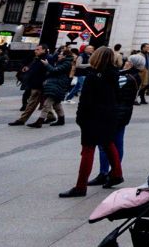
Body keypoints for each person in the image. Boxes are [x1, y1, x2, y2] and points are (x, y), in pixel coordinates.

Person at [59, 47, 123, 196]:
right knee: (108, 143)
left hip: (93, 116)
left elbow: (85, 100)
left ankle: (81, 186)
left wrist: (80, 117)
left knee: (88, 149)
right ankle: (117, 174)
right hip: (109, 115)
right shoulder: (114, 74)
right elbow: (117, 96)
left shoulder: (93, 76)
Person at [87, 53, 141, 185]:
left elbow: (106, 90)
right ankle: (112, 172)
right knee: (117, 142)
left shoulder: (125, 77)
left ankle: (107, 172)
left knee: (106, 144)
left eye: (127, 61)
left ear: (131, 63)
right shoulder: (134, 76)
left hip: (115, 113)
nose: (125, 62)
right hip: (124, 113)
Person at [10, 44, 49, 126]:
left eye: (38, 49)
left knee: (32, 103)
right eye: (36, 49)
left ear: (44, 50)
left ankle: (22, 120)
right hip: (34, 83)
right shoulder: (37, 58)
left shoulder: (46, 59)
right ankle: (54, 116)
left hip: (38, 84)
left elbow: (46, 72)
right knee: (50, 103)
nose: (35, 51)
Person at [32, 47, 72, 127]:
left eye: (60, 54)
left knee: (47, 104)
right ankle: (61, 120)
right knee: (56, 104)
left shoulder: (66, 63)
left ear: (65, 56)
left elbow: (55, 70)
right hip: (56, 84)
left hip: (58, 85)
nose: (58, 55)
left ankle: (39, 121)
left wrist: (47, 65)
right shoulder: (61, 62)